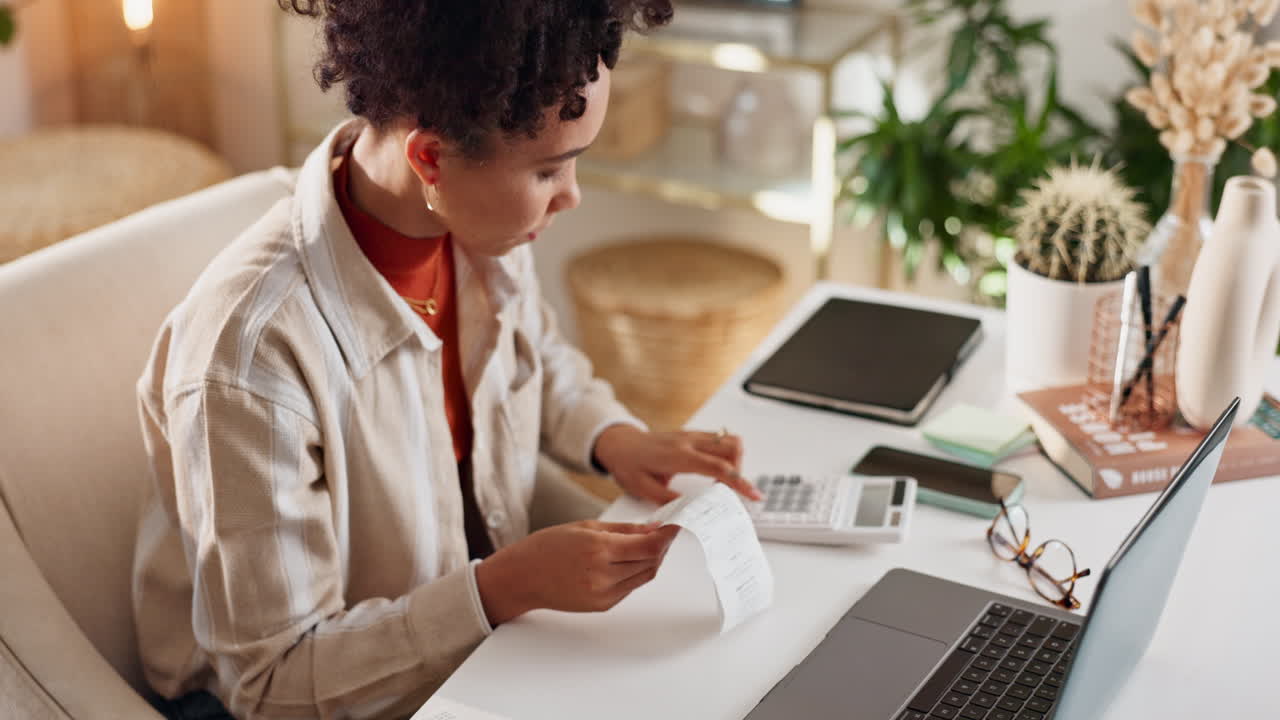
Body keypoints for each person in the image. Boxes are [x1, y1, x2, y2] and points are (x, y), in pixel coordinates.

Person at [132, 1, 763, 719]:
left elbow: (535, 356)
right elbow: (272, 684)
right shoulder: (251, 359)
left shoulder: (473, 224)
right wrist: (502, 590)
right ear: (429, 157)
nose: (572, 196)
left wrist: (612, 437)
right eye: (549, 171)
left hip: (464, 647)